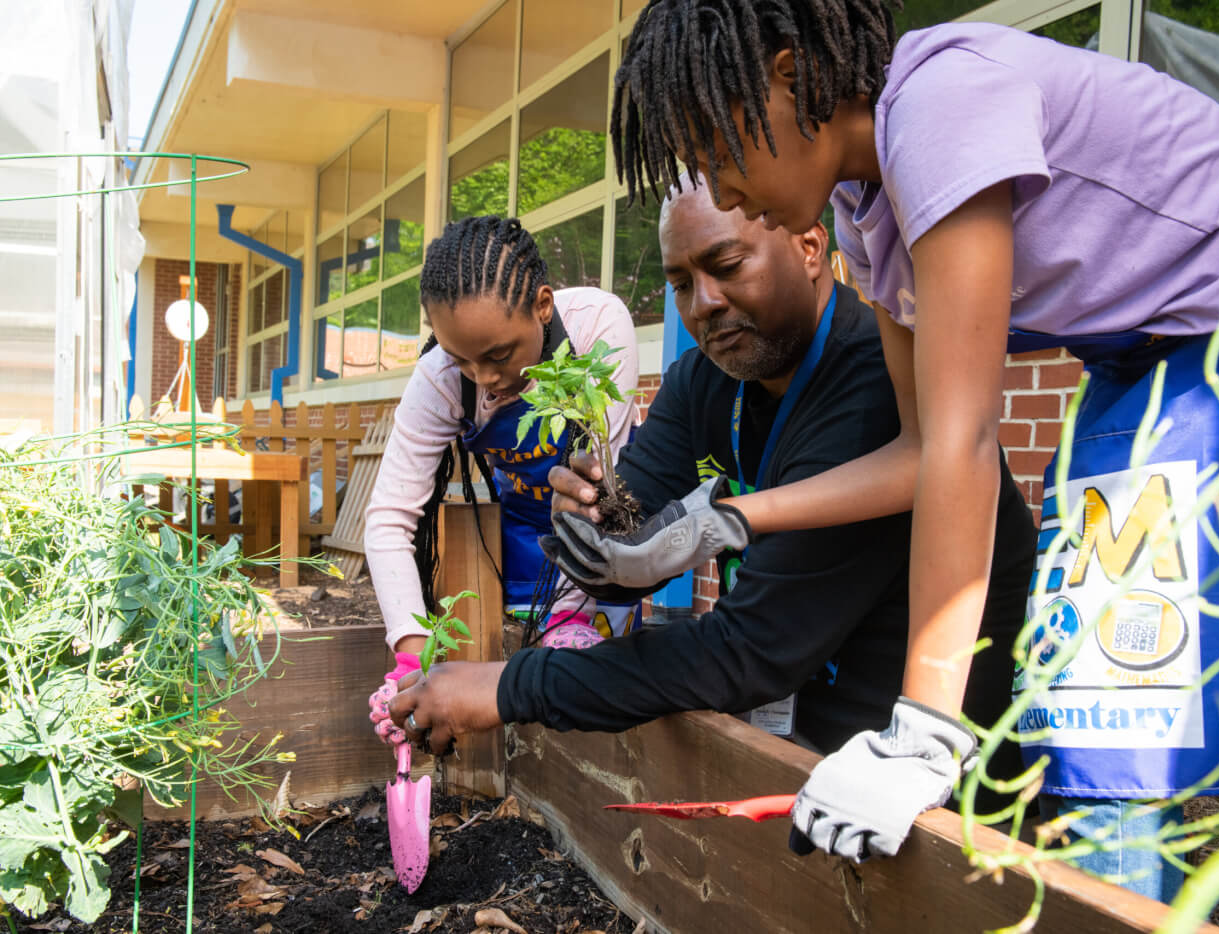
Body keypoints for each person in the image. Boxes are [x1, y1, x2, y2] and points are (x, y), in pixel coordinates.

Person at [552, 0, 1219, 901]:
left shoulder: (938, 108)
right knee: (1090, 689)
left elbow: (963, 443)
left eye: (715, 148)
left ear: (789, 80)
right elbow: (918, 455)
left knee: (1116, 712)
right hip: (1146, 353)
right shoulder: (870, 221)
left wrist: (923, 732)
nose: (719, 185)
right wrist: (722, 520)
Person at [384, 181, 1037, 773]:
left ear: (811, 247)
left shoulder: (872, 388)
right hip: (801, 752)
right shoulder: (704, 379)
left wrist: (507, 687)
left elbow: (743, 654)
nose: (705, 304)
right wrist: (591, 532)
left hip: (930, 784)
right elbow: (628, 540)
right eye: (680, 283)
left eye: (727, 267)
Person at [364, 215, 641, 746]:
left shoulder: (598, 330)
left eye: (498, 355)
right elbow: (389, 519)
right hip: (519, 545)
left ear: (542, 305)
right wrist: (414, 652)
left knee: (597, 703)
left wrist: (571, 620)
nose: (484, 378)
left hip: (602, 542)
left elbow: (594, 484)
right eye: (461, 359)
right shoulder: (440, 379)